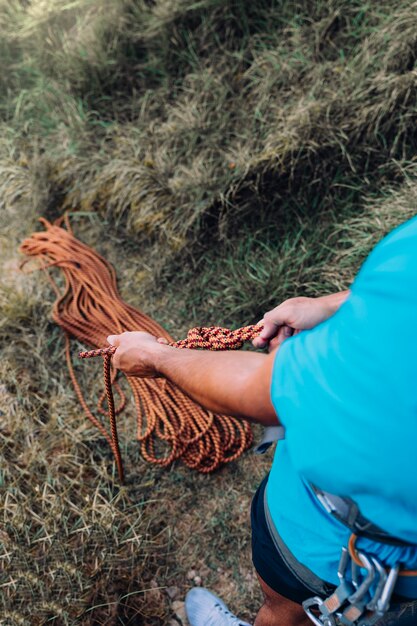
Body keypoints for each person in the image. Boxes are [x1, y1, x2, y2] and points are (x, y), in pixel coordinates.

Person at [107, 216, 417, 625]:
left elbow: (264, 392)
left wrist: (155, 357)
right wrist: (327, 306)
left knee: (286, 609)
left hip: (332, 542)